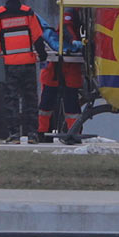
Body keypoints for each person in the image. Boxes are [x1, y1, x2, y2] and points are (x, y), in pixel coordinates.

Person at [0, 0, 47, 144]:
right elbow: (38, 38)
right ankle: (32, 134)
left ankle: (14, 135)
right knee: (30, 100)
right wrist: (43, 56)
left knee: (11, 100)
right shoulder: (28, 13)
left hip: (9, 64)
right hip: (28, 63)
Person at [37, 8, 83, 142]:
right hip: (59, 71)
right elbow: (66, 28)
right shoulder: (72, 18)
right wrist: (75, 41)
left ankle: (45, 133)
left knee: (60, 105)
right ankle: (70, 133)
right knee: (65, 106)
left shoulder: (71, 19)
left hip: (59, 72)